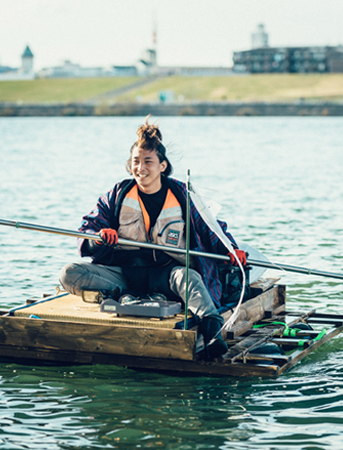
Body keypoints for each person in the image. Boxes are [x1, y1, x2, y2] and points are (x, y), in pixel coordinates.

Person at [60, 116, 247, 360]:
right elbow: (89, 227)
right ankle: (125, 295)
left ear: (163, 166)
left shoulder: (183, 195)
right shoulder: (117, 194)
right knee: (69, 273)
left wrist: (231, 250)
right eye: (136, 162)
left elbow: (213, 228)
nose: (141, 168)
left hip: (167, 275)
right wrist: (98, 237)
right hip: (125, 276)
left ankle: (211, 331)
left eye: (148, 161)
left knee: (190, 277)